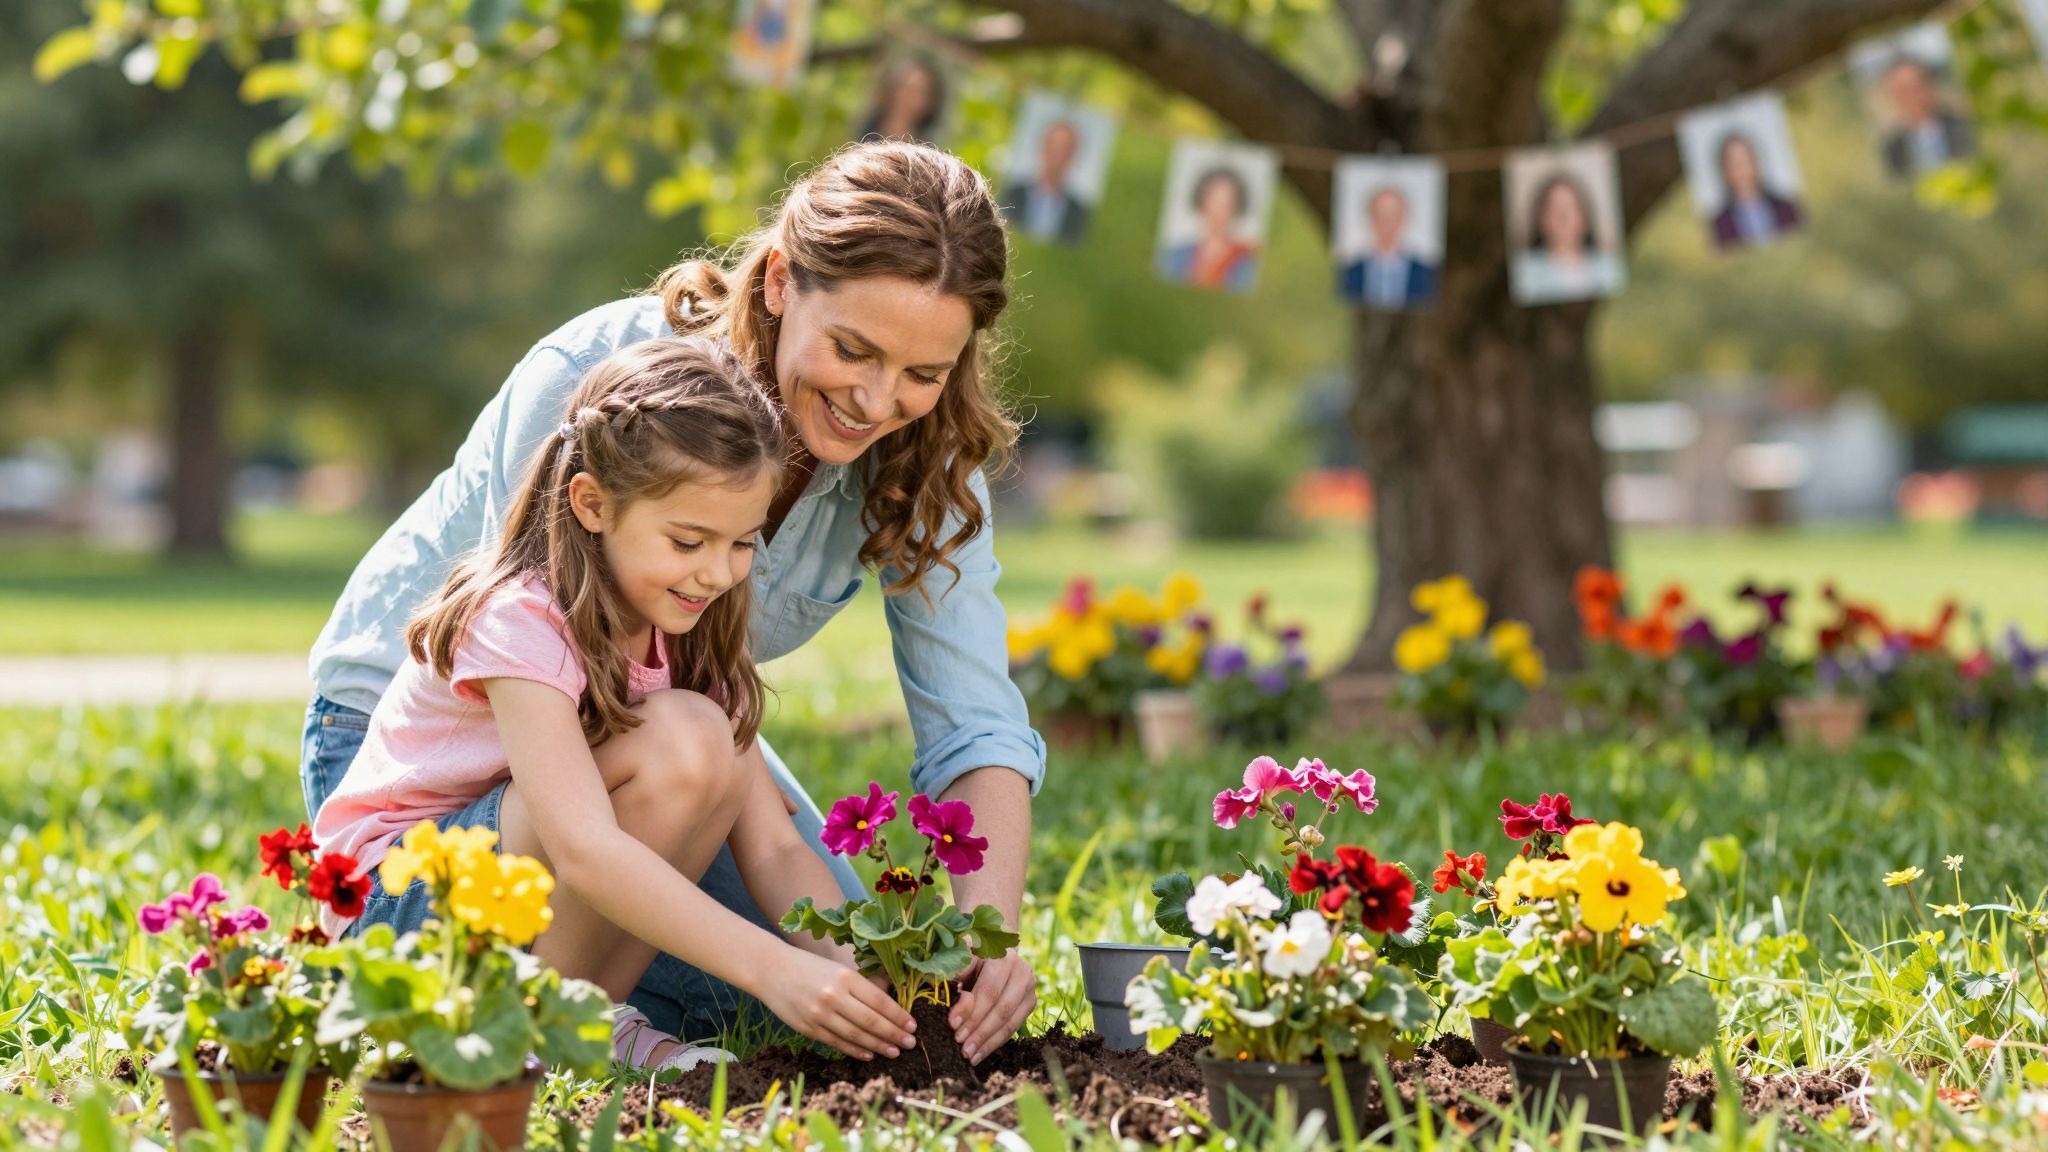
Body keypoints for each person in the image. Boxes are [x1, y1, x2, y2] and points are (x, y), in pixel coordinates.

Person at [303, 140, 1044, 1067]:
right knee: (759, 957)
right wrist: (777, 968)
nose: (875, 398)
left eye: (923, 374)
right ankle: (535, 1022)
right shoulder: (612, 394)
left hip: (641, 746)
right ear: (779, 280)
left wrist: (970, 955)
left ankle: (571, 1008)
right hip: (431, 786)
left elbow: (972, 727)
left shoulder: (888, 478)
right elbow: (580, 811)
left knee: (842, 1009)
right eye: (852, 348)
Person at [312, 339, 922, 1072]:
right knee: (685, 742)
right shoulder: (522, 618)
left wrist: (875, 979)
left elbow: (776, 846)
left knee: (710, 747)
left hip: (507, 907)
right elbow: (583, 848)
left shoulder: (690, 630)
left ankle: (574, 1022)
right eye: (689, 540)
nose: (718, 573)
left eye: (740, 544)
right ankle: (552, 1024)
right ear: (593, 505)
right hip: (397, 913)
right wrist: (773, 968)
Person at [1511, 172, 1624, 305]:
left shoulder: (1607, 268)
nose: (1563, 217)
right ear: (1541, 217)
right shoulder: (1525, 272)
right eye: (1554, 208)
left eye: (1570, 208)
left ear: (1584, 216)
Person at [1157, 165, 1260, 292]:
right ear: (1202, 203)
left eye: (1226, 205)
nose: (1218, 213)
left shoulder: (1245, 259)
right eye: (1214, 202)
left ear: (1236, 209)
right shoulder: (1176, 254)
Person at [1338, 185, 1438, 309]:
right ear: (1371, 218)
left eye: (1393, 216)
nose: (1387, 224)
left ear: (1403, 219)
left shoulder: (1424, 272)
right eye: (1381, 215)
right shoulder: (1351, 272)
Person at [998, 119, 1093, 245]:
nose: (1057, 157)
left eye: (1065, 150)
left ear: (1073, 156)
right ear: (1042, 149)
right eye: (1053, 147)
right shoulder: (1012, 195)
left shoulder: (1079, 213)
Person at [1877, 56, 1975, 178]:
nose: (1911, 97)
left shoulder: (1965, 127)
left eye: (1916, 87)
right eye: (1902, 90)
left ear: (1930, 86)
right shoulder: (1892, 149)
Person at [1709, 132, 1803, 249]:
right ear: (1724, 170)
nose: (1741, 169)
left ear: (1756, 162)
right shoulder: (1718, 225)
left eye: (1746, 160)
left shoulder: (1787, 209)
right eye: (1734, 164)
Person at [859, 55, 946, 144]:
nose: (907, 97)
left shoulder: (926, 151)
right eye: (904, 88)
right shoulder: (862, 132)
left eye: (917, 91)